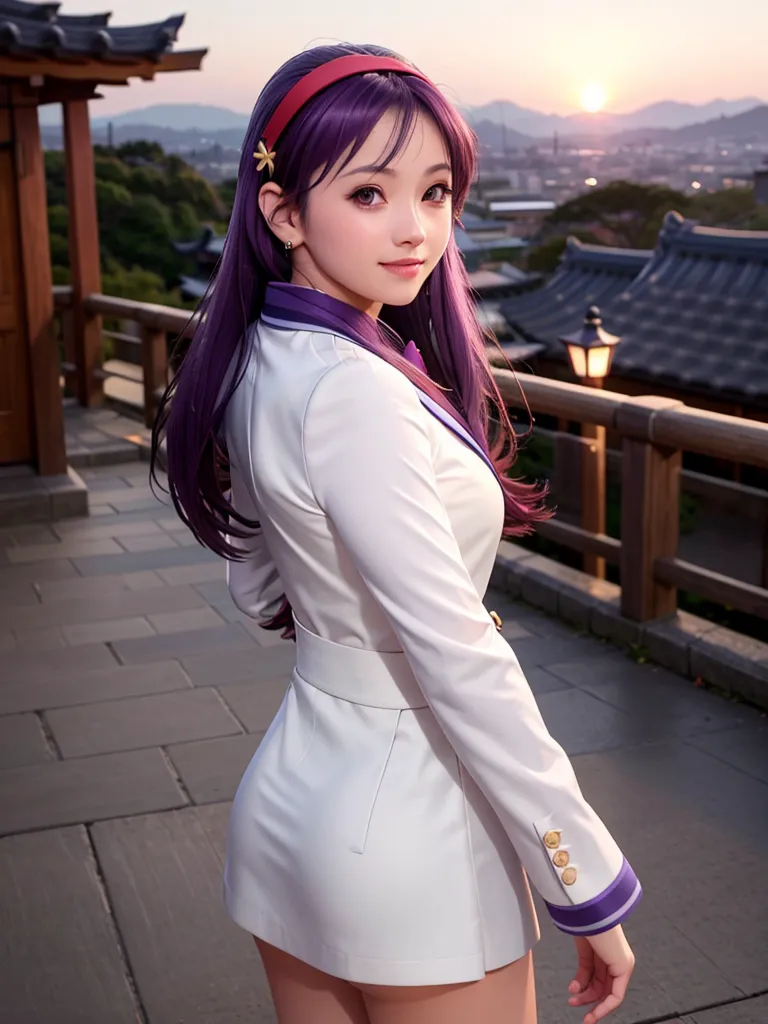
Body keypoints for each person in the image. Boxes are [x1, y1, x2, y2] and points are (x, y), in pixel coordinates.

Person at [151, 41, 640, 1024]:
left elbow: (260, 581)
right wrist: (586, 879)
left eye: (436, 191)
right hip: (416, 833)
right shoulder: (356, 392)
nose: (416, 230)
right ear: (284, 211)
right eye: (369, 194)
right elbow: (460, 657)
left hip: (298, 799)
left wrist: (343, 619)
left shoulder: (260, 356)